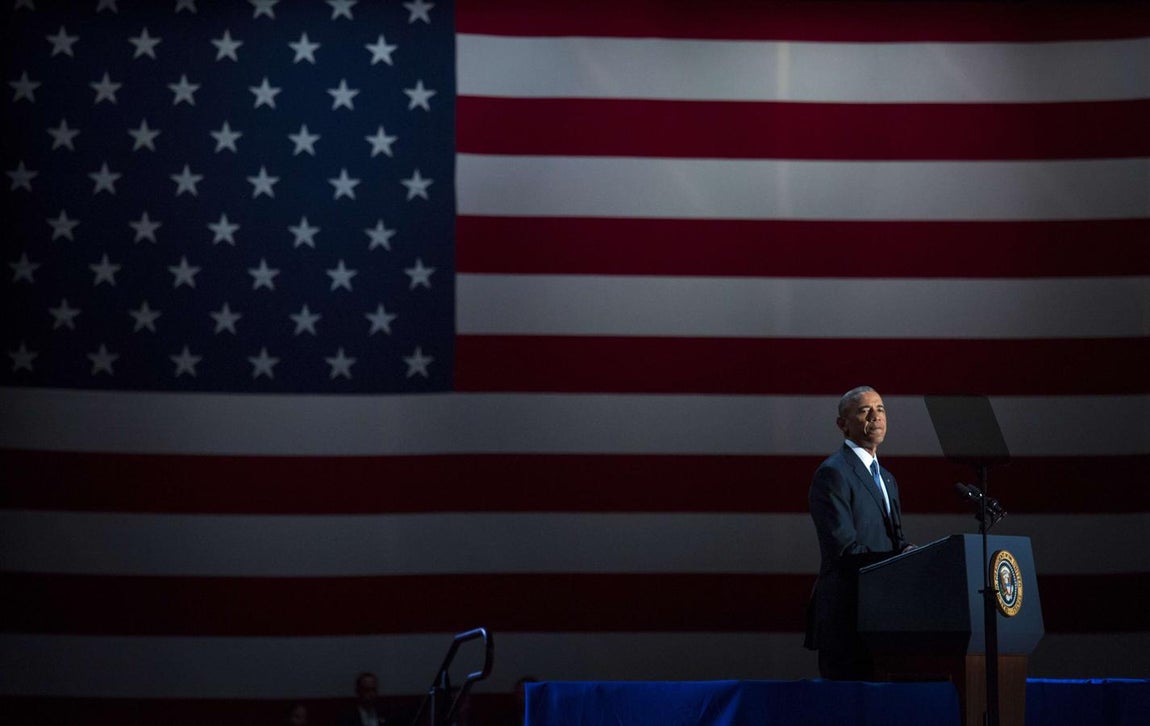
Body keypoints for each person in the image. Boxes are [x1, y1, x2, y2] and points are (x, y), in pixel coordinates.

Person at [804, 386, 912, 680]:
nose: (876, 416)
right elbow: (843, 550)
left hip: (882, 616)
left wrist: (909, 555)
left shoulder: (886, 478)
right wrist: (898, 558)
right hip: (847, 616)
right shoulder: (834, 473)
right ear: (843, 424)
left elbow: (893, 540)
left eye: (881, 409)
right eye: (865, 410)